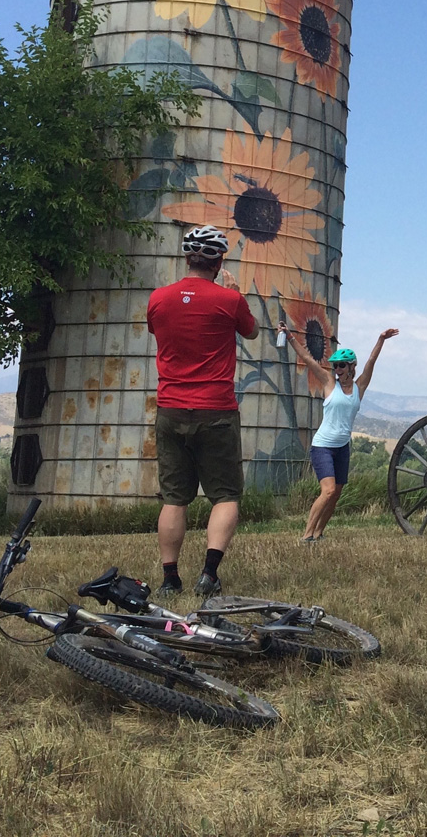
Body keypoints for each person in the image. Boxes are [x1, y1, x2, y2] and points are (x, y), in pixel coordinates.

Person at [146, 226, 265, 598]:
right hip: (216, 409)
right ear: (219, 260)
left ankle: (169, 579)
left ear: (187, 258)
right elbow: (253, 332)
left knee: (174, 498)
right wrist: (234, 295)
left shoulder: (158, 299)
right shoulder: (228, 300)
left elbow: (159, 332)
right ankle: (209, 573)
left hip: (170, 408)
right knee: (226, 495)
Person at [285, 326, 398, 542]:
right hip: (323, 447)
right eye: (335, 365)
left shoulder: (359, 387)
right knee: (327, 491)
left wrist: (381, 339)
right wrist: (290, 337)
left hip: (342, 447)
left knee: (335, 495)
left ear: (351, 367)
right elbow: (308, 359)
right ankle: (307, 536)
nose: (337, 369)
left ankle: (319, 533)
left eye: (342, 365)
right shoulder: (329, 383)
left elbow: (371, 363)